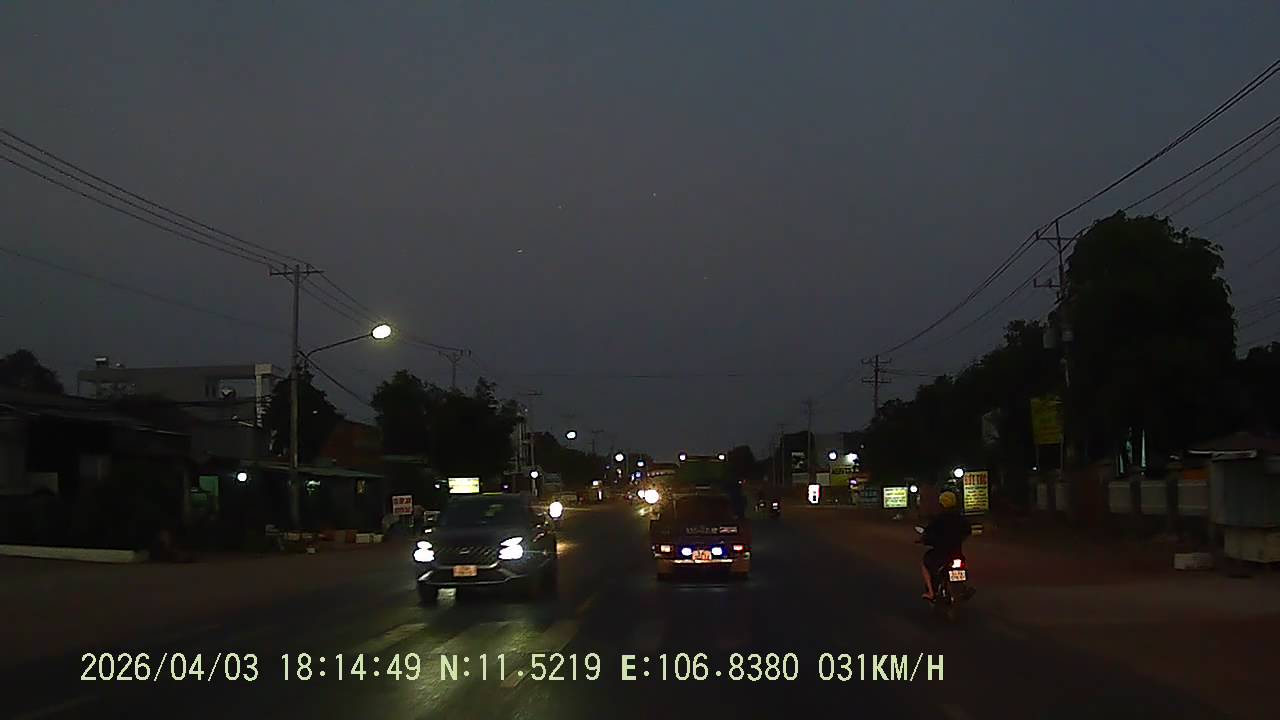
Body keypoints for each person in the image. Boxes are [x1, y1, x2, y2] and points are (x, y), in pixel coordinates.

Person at [919, 490, 970, 601]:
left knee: (925, 563)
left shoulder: (938, 519)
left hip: (940, 554)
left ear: (941, 503)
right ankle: (963, 587)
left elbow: (928, 533)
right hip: (956, 552)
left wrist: (924, 540)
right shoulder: (960, 518)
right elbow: (967, 531)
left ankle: (931, 592)